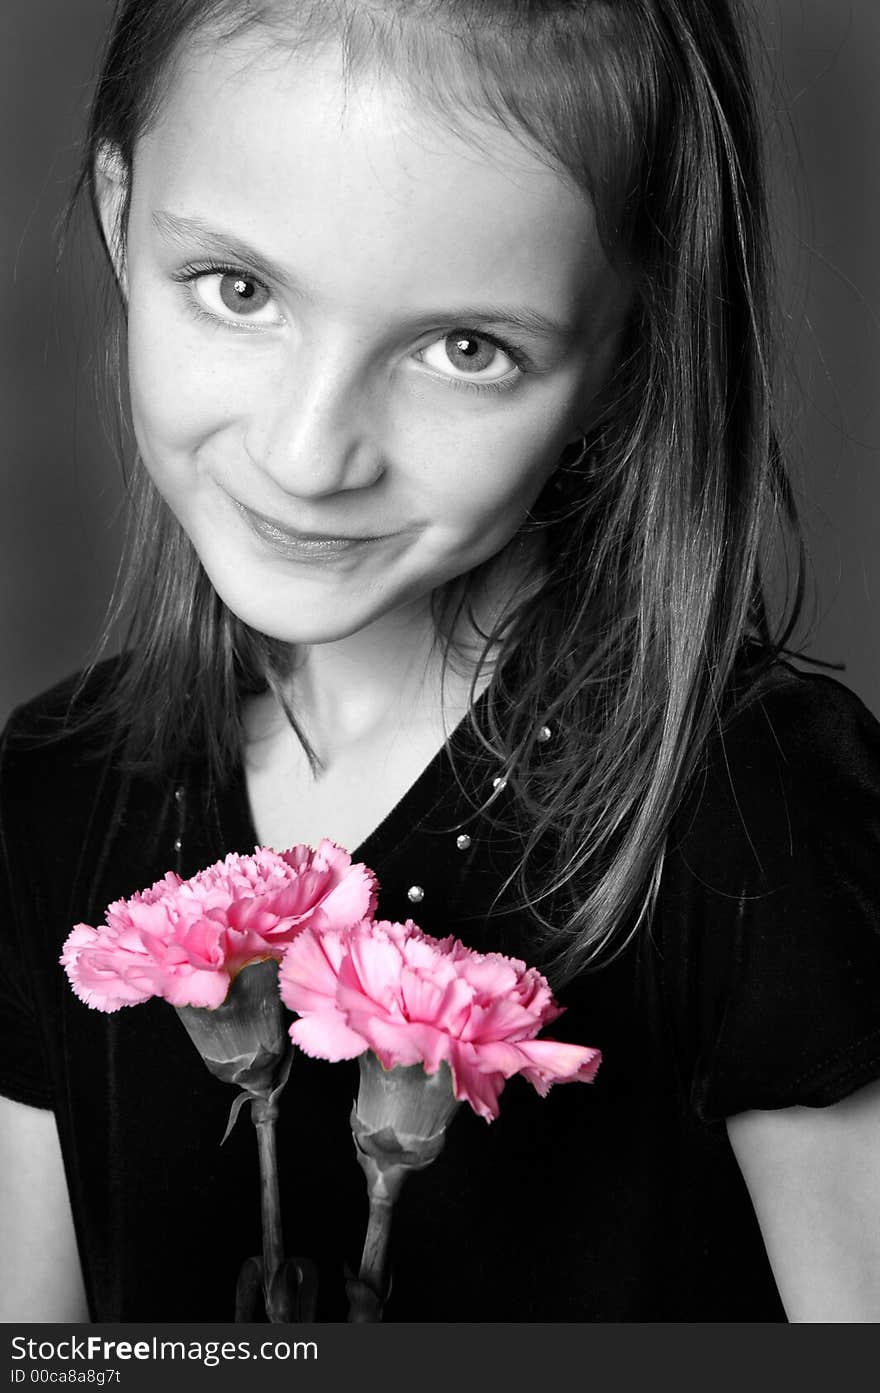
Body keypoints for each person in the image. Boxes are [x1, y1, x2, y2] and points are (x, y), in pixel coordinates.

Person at [1, 0, 879, 1324]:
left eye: (464, 349)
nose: (309, 454)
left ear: (622, 360)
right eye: (238, 290)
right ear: (126, 220)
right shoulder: (50, 797)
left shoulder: (758, 816)